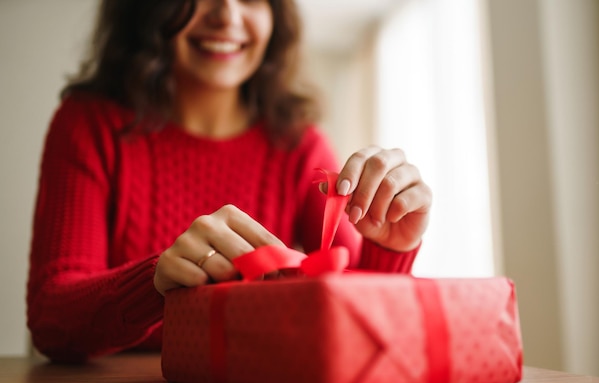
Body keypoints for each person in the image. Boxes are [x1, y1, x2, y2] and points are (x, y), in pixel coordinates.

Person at [27, 0, 432, 363]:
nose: (227, 16)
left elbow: (361, 321)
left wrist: (387, 248)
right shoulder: (87, 125)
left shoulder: (300, 146)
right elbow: (51, 316)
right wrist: (155, 281)